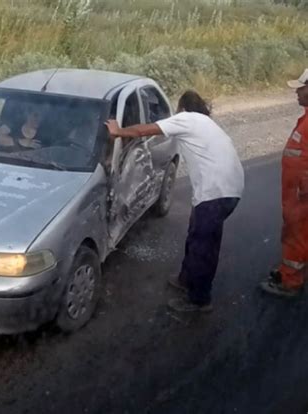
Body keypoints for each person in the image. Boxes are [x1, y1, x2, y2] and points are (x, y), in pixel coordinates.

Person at [106, 90, 244, 313]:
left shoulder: (186, 119)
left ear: (182, 107)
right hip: (227, 189)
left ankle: (199, 300)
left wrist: (118, 131)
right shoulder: (205, 123)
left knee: (203, 246)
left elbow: (145, 130)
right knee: (197, 234)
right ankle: (186, 278)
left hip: (216, 192)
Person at [260, 69, 308, 297]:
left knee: (295, 234)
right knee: (296, 233)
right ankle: (289, 270)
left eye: (301, 87)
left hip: (302, 194)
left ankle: (290, 281)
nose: (297, 92)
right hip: (296, 192)